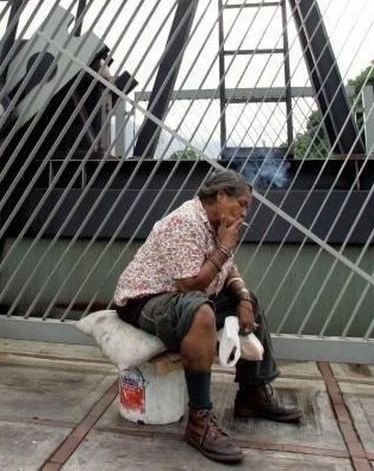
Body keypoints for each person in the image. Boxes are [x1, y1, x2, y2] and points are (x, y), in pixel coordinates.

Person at [112, 169, 301, 464]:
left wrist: (242, 296)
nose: (245, 211)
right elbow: (189, 285)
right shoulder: (184, 223)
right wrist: (225, 246)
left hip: (187, 295)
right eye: (242, 203)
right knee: (200, 311)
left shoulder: (217, 224)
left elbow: (227, 269)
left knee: (250, 300)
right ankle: (199, 421)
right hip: (145, 300)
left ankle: (252, 395)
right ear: (221, 195)